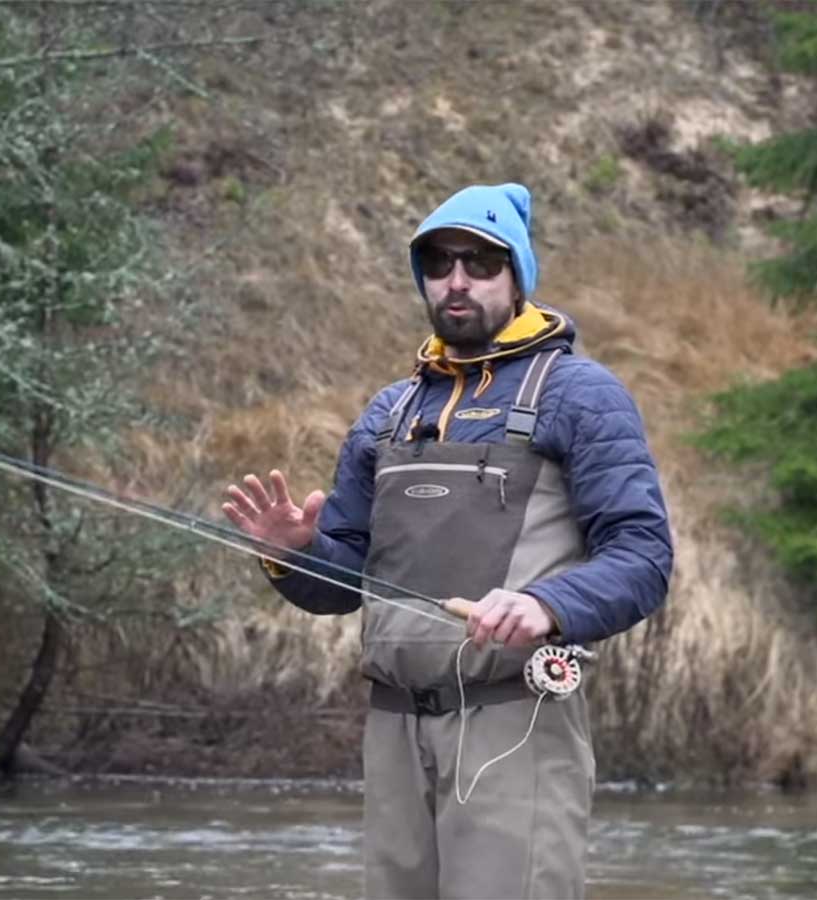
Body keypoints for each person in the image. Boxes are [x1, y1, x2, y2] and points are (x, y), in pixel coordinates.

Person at [221, 183, 672, 899]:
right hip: (394, 732)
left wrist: (546, 606)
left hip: (513, 724)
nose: (456, 280)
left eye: (480, 262)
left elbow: (642, 556)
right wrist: (292, 554)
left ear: (516, 275)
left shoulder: (582, 395)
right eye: (437, 262)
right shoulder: (388, 412)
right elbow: (337, 587)